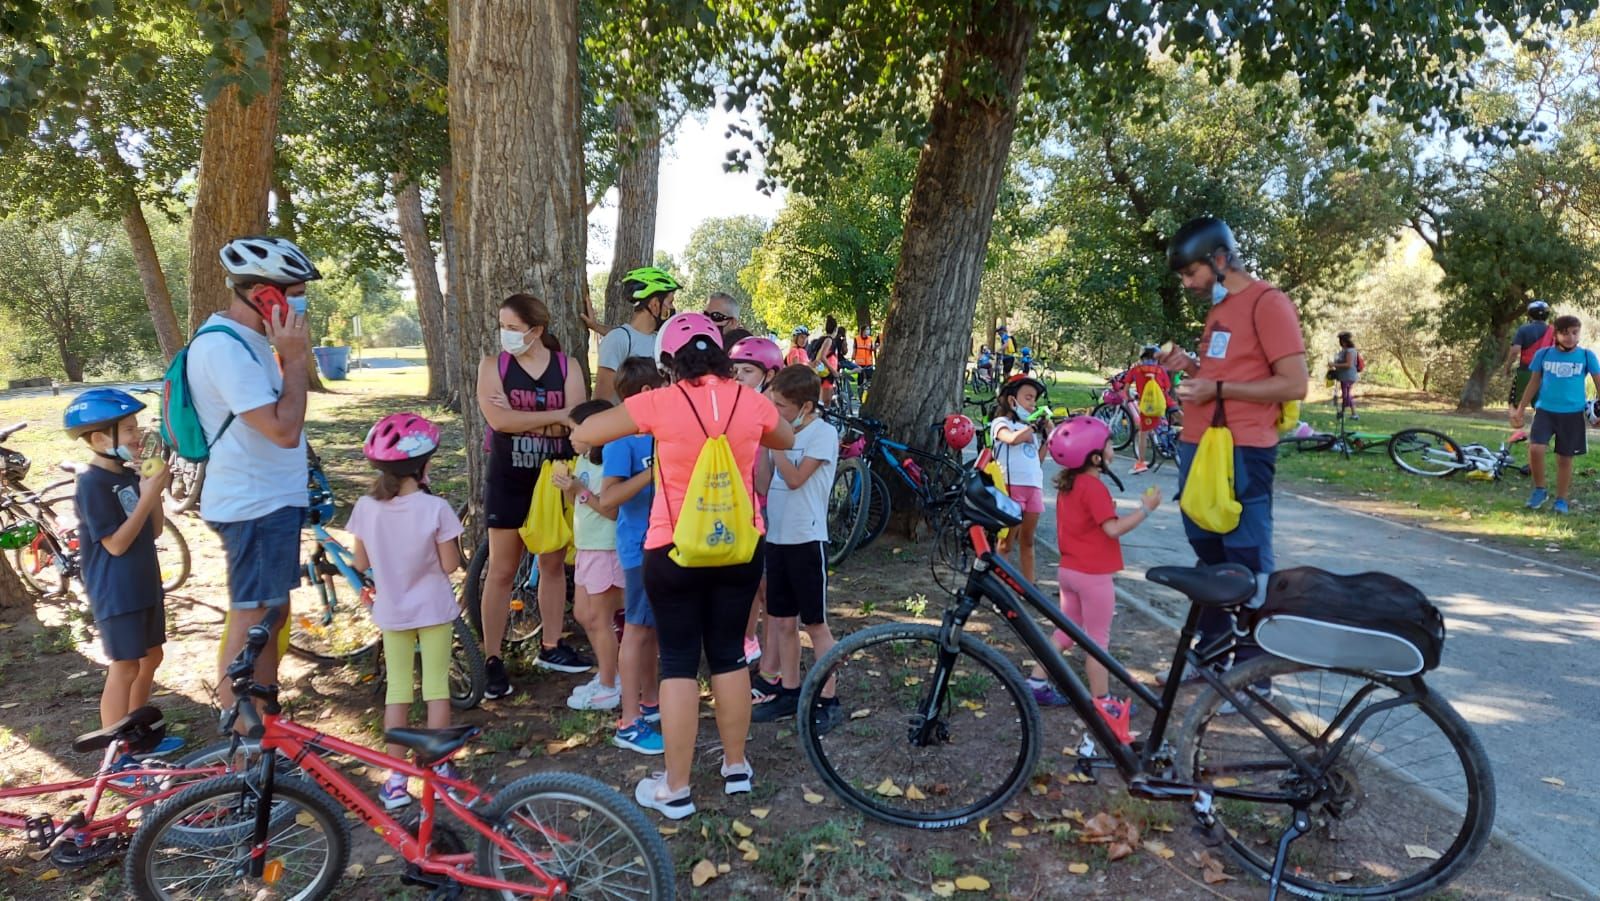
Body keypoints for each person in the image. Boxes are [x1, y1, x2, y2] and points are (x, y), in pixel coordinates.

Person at [572, 313, 794, 820]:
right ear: (719, 355)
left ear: (668, 362)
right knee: (729, 655)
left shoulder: (660, 401)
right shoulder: (750, 400)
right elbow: (783, 437)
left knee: (677, 661)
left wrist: (583, 437)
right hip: (740, 547)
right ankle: (737, 766)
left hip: (672, 550)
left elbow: (589, 431)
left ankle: (676, 787)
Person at [1156, 216, 1308, 677]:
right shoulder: (1220, 310)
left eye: (1190, 273)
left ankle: (1252, 675)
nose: (1187, 284)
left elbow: (1294, 384)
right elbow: (1231, 372)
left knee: (1246, 561)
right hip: (1201, 448)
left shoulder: (1269, 302)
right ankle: (1209, 656)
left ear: (1219, 259)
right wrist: (1193, 367)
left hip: (1243, 450)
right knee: (1210, 559)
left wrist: (1216, 392)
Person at [198, 236, 319, 723]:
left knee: (272, 615)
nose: (299, 304)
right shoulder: (224, 349)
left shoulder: (250, 343)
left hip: (272, 500)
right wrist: (294, 360)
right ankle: (245, 736)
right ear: (264, 295)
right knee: (252, 618)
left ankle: (266, 720)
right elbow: (282, 429)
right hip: (252, 505)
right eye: (293, 293)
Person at [347, 413, 465, 809]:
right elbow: (449, 565)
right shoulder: (436, 509)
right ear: (425, 464)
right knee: (436, 690)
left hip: (392, 611)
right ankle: (439, 772)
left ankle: (395, 780)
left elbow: (360, 561)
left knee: (397, 691)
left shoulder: (366, 507)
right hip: (433, 609)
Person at [476, 293, 590, 699]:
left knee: (553, 561)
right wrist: (554, 417)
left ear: (536, 330)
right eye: (502, 327)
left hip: (554, 477)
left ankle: (552, 644)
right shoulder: (493, 367)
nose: (505, 335)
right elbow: (500, 420)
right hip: (508, 476)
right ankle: (491, 658)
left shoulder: (567, 367)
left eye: (512, 328)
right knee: (503, 569)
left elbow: (577, 422)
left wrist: (544, 422)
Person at [64, 389, 185, 761]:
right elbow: (115, 545)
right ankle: (115, 757)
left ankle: (137, 737)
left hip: (143, 582)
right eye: (129, 429)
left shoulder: (126, 474)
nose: (137, 435)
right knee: (125, 665)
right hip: (116, 590)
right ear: (100, 439)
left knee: (151, 658)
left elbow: (155, 530)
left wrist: (155, 492)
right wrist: (147, 496)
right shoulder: (91, 482)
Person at [1023, 416, 1158, 743]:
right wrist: (1145, 509)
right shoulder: (1093, 486)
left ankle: (1037, 683)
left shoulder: (1070, 484)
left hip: (1068, 571)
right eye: (1109, 443)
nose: (1113, 447)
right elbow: (1111, 529)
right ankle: (1104, 703)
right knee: (1098, 640)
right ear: (1095, 457)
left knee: (1066, 631)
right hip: (1093, 576)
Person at [751, 364, 844, 731]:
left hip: (806, 540)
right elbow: (762, 484)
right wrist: (764, 446)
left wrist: (776, 445)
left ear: (806, 406)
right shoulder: (782, 435)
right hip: (778, 539)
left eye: (781, 407)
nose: (774, 413)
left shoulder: (822, 434)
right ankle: (789, 689)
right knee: (782, 620)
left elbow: (794, 479)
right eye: (771, 404)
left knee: (816, 625)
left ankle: (828, 696)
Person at [602, 359, 667, 754]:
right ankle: (628, 721)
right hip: (638, 548)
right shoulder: (621, 439)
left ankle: (651, 700)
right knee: (637, 630)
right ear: (646, 395)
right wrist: (652, 473)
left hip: (666, 544)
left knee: (653, 629)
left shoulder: (659, 433)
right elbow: (609, 498)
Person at [555, 400, 628, 710]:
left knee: (599, 618)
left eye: (575, 430)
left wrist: (579, 490)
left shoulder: (608, 464)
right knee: (583, 615)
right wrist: (569, 489)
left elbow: (610, 511)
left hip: (606, 548)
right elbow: (581, 505)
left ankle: (611, 684)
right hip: (587, 547)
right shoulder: (583, 461)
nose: (570, 437)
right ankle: (609, 673)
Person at [729, 336, 786, 671]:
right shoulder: (733, 409)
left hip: (763, 510)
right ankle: (748, 640)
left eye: (747, 371)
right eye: (734, 370)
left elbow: (763, 481)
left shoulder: (772, 416)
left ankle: (771, 660)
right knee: (745, 583)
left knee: (764, 585)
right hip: (735, 508)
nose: (738, 377)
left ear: (769, 375)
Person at [1511, 314, 1600, 515]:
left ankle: (1561, 500)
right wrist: (1520, 407)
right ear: (1556, 334)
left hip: (1572, 414)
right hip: (1545, 411)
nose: (1570, 337)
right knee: (1535, 448)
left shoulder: (1587, 356)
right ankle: (1540, 489)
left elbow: (1598, 382)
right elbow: (1534, 382)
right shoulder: (1543, 355)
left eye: (1574, 332)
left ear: (1579, 333)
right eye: (1565, 333)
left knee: (1565, 459)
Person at [990, 376, 1049, 583]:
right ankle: (1000, 588)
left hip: (1033, 487)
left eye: (1034, 400)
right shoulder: (1001, 423)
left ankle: (1029, 586)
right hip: (1010, 488)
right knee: (1006, 542)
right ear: (1011, 400)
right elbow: (1011, 439)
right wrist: (1032, 427)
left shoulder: (1029, 431)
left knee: (1028, 541)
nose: (1032, 404)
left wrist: (1047, 438)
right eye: (1028, 398)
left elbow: (1036, 460)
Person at [596, 267, 679, 401]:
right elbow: (601, 401)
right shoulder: (618, 340)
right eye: (670, 302)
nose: (672, 309)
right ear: (654, 304)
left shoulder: (662, 341)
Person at [1127, 345, 1173, 475]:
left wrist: (1130, 398)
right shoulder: (1161, 370)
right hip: (1165, 401)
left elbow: (1125, 389)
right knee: (1174, 417)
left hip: (1148, 406)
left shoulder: (1136, 370)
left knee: (1143, 432)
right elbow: (1168, 388)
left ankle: (1141, 462)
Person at [1502, 300, 1555, 408]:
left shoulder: (1524, 330)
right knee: (1542, 406)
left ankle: (1517, 424)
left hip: (1526, 371)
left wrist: (1507, 367)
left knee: (1515, 404)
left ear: (1530, 314)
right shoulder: (1553, 331)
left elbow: (1514, 351)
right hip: (1546, 373)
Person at [1331, 332, 1360, 419]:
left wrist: (1334, 365)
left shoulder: (1350, 351)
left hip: (1348, 376)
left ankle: (1354, 414)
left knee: (1347, 395)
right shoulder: (1345, 351)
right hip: (1344, 376)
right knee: (1345, 394)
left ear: (1343, 341)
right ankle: (1344, 412)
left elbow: (1348, 364)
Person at [851, 325, 878, 389]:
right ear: (863, 330)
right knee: (860, 381)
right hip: (859, 363)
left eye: (868, 329)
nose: (868, 331)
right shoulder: (857, 339)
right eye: (867, 329)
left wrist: (876, 347)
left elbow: (872, 349)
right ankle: (860, 393)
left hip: (868, 362)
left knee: (869, 380)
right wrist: (852, 359)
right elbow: (854, 349)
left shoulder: (870, 339)